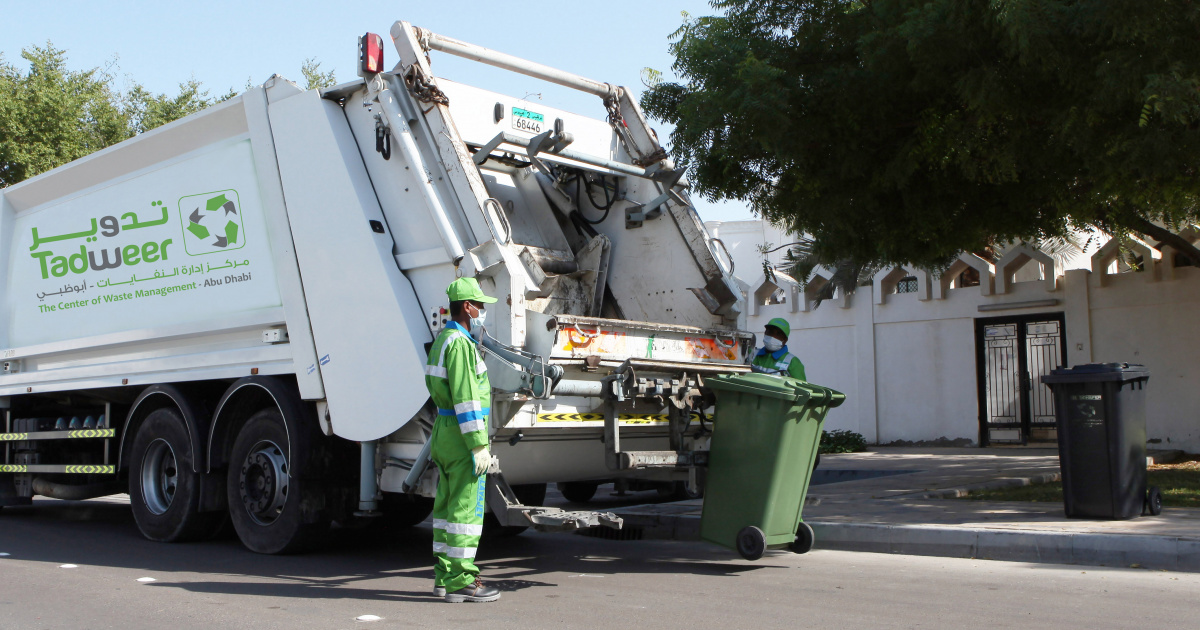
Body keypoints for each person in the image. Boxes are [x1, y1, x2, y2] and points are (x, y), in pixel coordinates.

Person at [425, 277, 502, 603]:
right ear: (467, 307)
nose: (482, 311)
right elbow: (467, 399)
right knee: (464, 511)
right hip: (461, 437)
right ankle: (461, 581)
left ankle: (444, 577)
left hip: (444, 432)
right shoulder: (459, 344)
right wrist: (478, 445)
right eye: (480, 305)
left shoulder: (443, 339)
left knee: (445, 509)